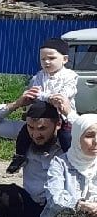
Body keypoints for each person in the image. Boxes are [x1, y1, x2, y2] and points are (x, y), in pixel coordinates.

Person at [0, 95, 71, 217]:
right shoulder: (24, 134)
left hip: (60, 208)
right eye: (31, 127)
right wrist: (16, 104)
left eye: (42, 128)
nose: (35, 134)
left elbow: (90, 131)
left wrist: (69, 113)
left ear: (57, 124)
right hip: (33, 205)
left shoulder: (72, 140)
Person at [5, 39, 79, 174]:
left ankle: (71, 161)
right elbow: (35, 92)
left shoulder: (70, 75)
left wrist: (57, 97)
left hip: (62, 113)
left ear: (65, 59)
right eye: (43, 59)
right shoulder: (40, 75)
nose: (46, 62)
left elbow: (68, 92)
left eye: (51, 58)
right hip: (42, 113)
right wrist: (49, 97)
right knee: (24, 133)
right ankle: (20, 156)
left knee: (66, 136)